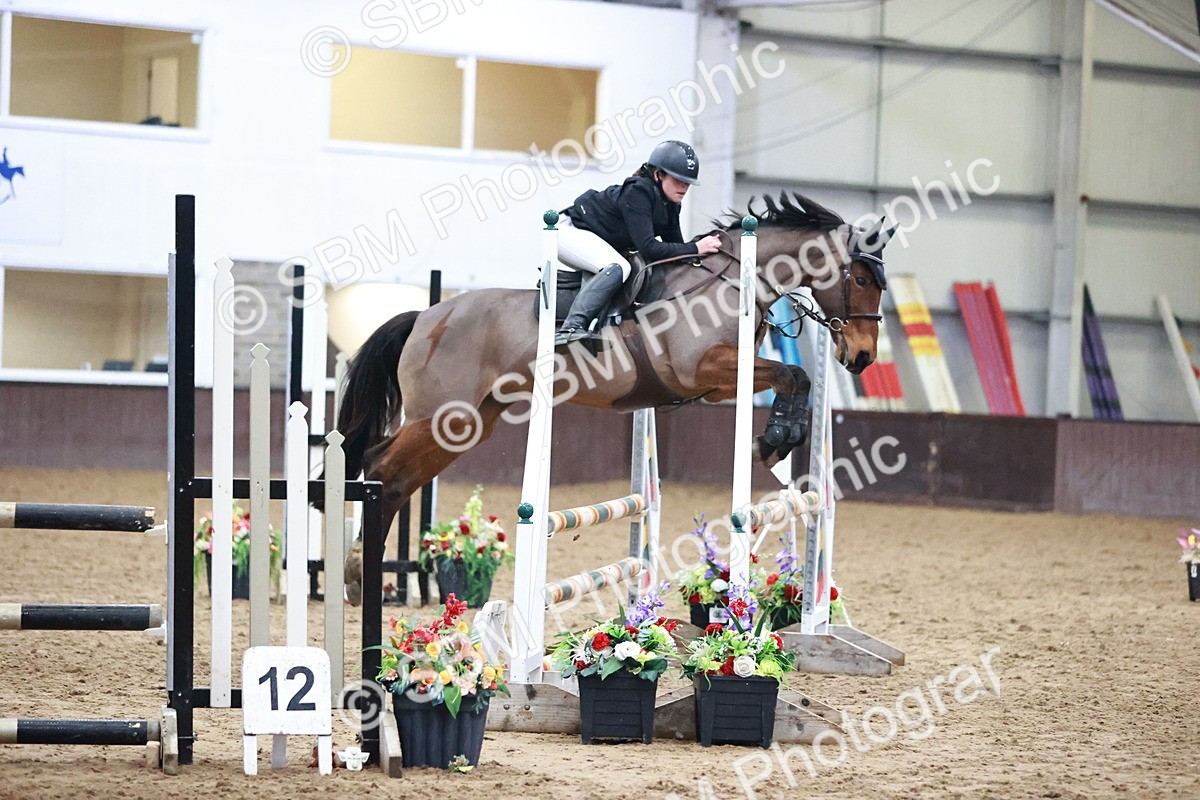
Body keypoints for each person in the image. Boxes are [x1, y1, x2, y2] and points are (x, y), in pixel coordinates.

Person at [553, 140, 722, 346]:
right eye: (678, 179)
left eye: (687, 182)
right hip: (567, 231)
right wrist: (696, 247)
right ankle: (571, 327)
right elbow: (650, 248)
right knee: (618, 267)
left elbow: (676, 252)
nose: (684, 186)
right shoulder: (638, 192)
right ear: (658, 175)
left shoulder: (670, 204)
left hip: (594, 237)